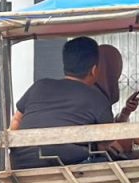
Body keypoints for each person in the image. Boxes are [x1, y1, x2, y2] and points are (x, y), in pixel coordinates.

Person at [9, 37, 113, 169]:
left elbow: (16, 120)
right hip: (70, 168)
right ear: (94, 70)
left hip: (22, 165)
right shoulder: (97, 98)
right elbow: (107, 141)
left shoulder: (39, 86)